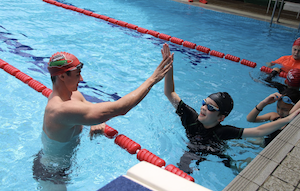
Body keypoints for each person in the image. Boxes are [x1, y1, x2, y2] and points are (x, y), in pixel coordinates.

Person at [32, 44, 173, 190]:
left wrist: (95, 120)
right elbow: (121, 108)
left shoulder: (74, 96)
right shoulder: (59, 109)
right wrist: (153, 79)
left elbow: (91, 110)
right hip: (51, 173)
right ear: (62, 76)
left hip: (60, 164)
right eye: (77, 74)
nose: (81, 78)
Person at [162, 44, 300, 174]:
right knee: (182, 166)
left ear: (221, 118)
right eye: (204, 103)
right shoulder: (190, 117)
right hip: (192, 149)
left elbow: (258, 130)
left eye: (210, 107)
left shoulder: (223, 131)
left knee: (232, 165)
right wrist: (169, 67)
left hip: (216, 152)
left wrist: (288, 119)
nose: (203, 108)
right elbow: (170, 93)